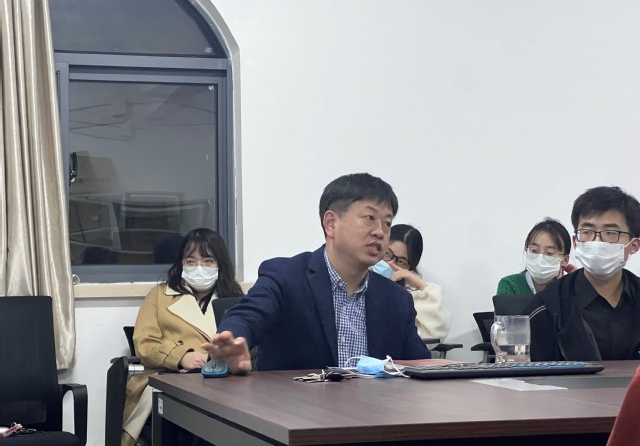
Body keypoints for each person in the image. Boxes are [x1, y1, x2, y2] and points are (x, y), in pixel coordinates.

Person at [204, 173, 431, 374]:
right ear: (331, 224)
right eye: (369, 218)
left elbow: (420, 365)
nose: (380, 232)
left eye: (387, 223)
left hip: (374, 407)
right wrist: (231, 341)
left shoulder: (396, 299)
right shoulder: (285, 276)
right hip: (297, 407)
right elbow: (247, 315)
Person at [122, 228, 244, 446]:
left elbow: (248, 347)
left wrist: (215, 361)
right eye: (191, 261)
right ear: (181, 264)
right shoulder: (159, 296)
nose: (199, 268)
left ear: (220, 264)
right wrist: (181, 356)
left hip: (221, 384)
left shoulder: (236, 300)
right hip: (167, 380)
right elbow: (145, 343)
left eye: (208, 261)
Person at [529, 186, 640, 361]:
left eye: (611, 233)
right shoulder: (547, 306)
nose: (597, 241)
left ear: (634, 245)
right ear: (576, 242)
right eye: (587, 232)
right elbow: (530, 374)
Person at [372, 224, 451, 342]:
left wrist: (422, 286)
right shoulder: (356, 279)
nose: (390, 264)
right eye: (387, 253)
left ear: (410, 268)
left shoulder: (407, 296)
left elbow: (431, 337)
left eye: (401, 262)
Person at [496, 218, 573, 295]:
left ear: (564, 260)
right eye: (534, 250)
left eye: (549, 253)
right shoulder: (510, 285)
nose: (540, 259)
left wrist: (576, 283)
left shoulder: (570, 290)